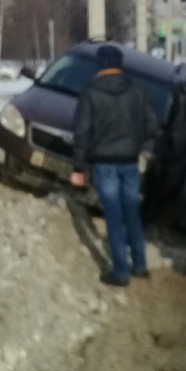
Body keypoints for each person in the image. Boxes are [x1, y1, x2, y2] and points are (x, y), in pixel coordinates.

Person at [70, 44, 160, 287]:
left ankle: (120, 271)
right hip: (130, 162)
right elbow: (153, 127)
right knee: (132, 212)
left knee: (113, 214)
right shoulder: (138, 91)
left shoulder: (90, 93)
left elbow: (82, 133)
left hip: (104, 164)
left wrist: (78, 168)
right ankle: (140, 265)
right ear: (120, 65)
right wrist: (139, 144)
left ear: (100, 65)